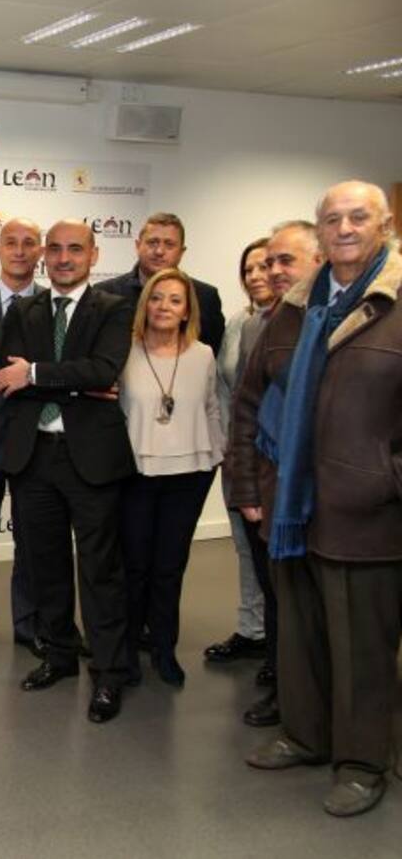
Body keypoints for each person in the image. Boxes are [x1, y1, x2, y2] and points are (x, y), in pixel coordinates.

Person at [234, 181, 402, 817]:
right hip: (289, 508)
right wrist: (250, 487)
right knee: (299, 634)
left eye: (358, 217)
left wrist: (385, 479)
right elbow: (250, 402)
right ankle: (305, 735)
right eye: (332, 219)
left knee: (362, 648)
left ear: (384, 226)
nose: (345, 228)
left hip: (368, 514)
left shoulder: (394, 303)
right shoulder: (294, 308)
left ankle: (361, 764)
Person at [0, 219, 134, 723]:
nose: (62, 258)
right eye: (53, 249)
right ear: (43, 256)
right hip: (33, 456)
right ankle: (59, 655)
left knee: (100, 571)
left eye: (75, 249)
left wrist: (35, 373)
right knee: (45, 565)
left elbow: (103, 369)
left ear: (93, 255)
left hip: (91, 458)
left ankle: (109, 672)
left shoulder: (114, 308)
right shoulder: (25, 309)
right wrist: (72, 383)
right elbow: (8, 377)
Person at [226, 222, 323, 728]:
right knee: (283, 600)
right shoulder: (267, 324)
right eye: (268, 263)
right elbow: (245, 410)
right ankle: (288, 695)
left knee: (326, 609)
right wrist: (247, 489)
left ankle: (325, 705)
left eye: (286, 261)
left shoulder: (346, 319)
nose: (273, 271)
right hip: (273, 490)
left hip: (333, 492)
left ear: (320, 261)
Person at [118, 268, 225, 687]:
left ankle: (164, 650)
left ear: (187, 311)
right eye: (157, 297)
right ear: (145, 304)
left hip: (189, 476)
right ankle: (126, 653)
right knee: (134, 568)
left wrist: (216, 455)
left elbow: (212, 407)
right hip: (136, 474)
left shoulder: (204, 355)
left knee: (169, 567)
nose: (164, 306)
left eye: (175, 300)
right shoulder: (124, 351)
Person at [204, 238, 273, 667]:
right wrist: (227, 448)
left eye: (266, 266)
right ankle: (253, 630)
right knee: (246, 550)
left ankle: (282, 646)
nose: (257, 276)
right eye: (249, 270)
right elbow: (224, 390)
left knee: (275, 557)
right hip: (239, 457)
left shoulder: (299, 323)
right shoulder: (237, 323)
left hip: (274, 460)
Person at [0, 217, 45, 648]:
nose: (19, 251)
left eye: (29, 243)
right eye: (11, 242)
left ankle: (31, 628)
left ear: (40, 250)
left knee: (33, 543)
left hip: (34, 443)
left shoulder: (55, 309)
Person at [95, 212, 225, 357]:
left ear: (181, 252)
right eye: (152, 242)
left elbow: (213, 355)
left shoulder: (205, 297)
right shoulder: (105, 293)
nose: (159, 251)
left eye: (169, 244)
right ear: (138, 246)